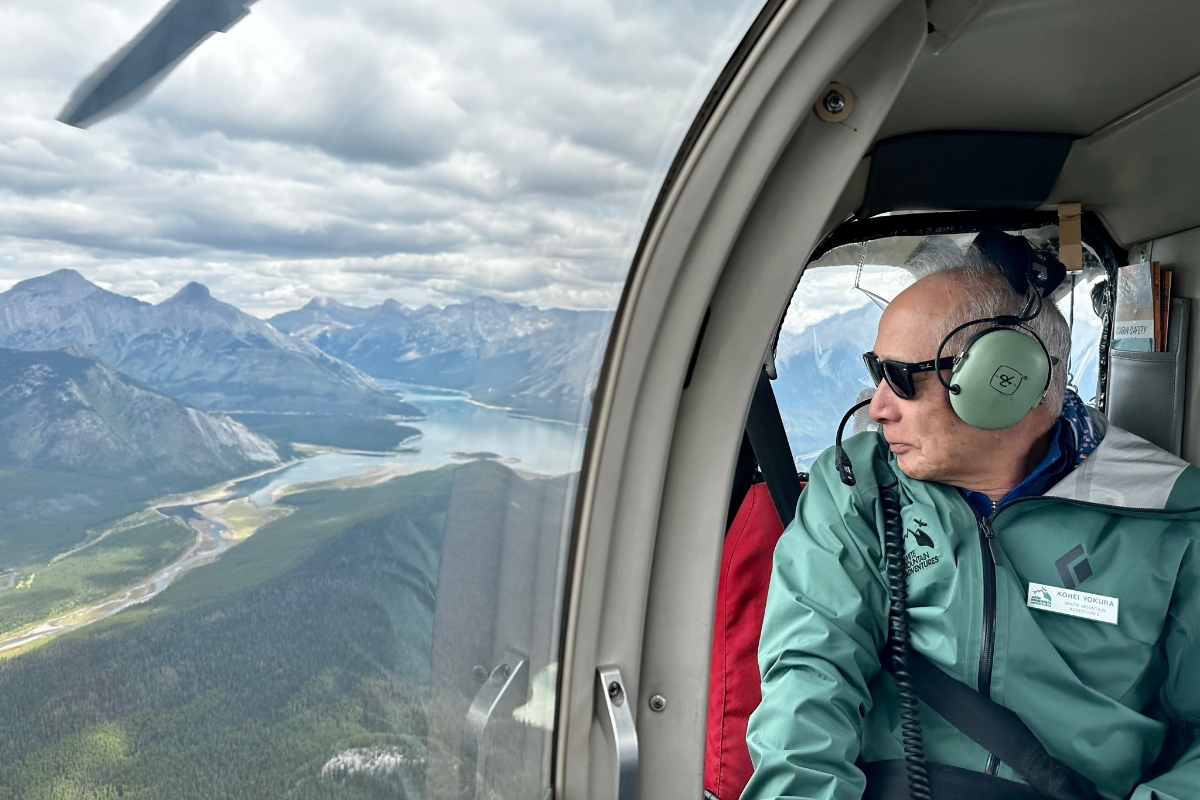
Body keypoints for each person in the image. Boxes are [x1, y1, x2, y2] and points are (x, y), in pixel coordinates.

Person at [742, 241, 1200, 800]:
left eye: (902, 379)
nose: (877, 407)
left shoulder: (1168, 514)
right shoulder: (855, 488)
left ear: (1004, 380)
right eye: (875, 371)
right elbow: (808, 679)